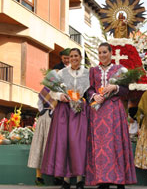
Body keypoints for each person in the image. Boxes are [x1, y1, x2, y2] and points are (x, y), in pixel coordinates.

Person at [85, 42, 137, 189]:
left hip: (114, 109)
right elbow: (88, 90)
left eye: (104, 52)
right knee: (100, 146)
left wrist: (115, 87)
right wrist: (94, 96)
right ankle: (103, 180)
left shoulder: (119, 69)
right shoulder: (93, 70)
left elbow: (126, 91)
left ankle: (119, 179)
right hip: (98, 112)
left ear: (111, 53)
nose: (102, 55)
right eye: (100, 52)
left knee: (116, 144)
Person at [41, 48, 90, 189]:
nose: (73, 58)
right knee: (64, 143)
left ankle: (80, 178)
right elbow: (50, 90)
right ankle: (66, 180)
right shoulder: (62, 72)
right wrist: (59, 96)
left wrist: (84, 100)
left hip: (80, 110)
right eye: (71, 56)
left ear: (81, 57)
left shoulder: (87, 73)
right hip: (64, 111)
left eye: (76, 56)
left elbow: (90, 90)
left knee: (78, 144)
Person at [27, 87, 58, 186]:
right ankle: (42, 177)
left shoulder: (48, 90)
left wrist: (44, 111)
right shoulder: (54, 90)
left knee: (43, 145)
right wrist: (47, 111)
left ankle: (51, 176)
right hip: (49, 118)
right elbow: (39, 103)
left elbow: (39, 104)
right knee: (42, 146)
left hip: (49, 117)